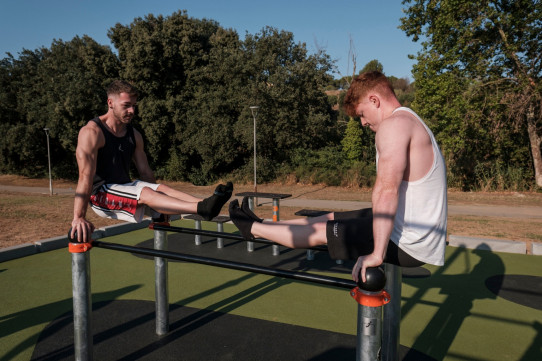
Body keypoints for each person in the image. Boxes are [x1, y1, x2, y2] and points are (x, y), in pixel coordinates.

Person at [229, 71, 447, 283]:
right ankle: (260, 222)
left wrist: (376, 253)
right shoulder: (410, 120)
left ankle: (252, 229)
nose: (363, 123)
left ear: (374, 100)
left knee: (320, 231)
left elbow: (386, 190)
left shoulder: (394, 126)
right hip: (411, 229)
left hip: (408, 243)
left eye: (362, 114)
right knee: (330, 218)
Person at [71, 80, 233, 243]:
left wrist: (160, 207)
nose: (132, 110)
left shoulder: (134, 135)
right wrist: (78, 217)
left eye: (134, 106)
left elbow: (146, 173)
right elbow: (85, 176)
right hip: (100, 195)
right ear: (110, 103)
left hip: (124, 187)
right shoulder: (92, 132)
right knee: (147, 193)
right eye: (126, 105)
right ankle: (202, 208)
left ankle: (208, 203)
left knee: (161, 188)